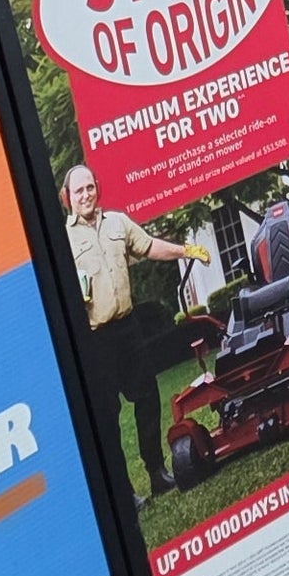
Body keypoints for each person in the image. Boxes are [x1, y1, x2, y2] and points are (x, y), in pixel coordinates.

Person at [63, 163, 210, 500]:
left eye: (89, 187)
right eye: (78, 191)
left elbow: (148, 246)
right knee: (108, 416)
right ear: (68, 198)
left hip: (127, 329)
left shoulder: (117, 222)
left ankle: (156, 472)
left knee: (147, 397)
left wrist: (184, 251)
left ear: (96, 188)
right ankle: (124, 491)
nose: (85, 195)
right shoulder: (64, 240)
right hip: (94, 338)